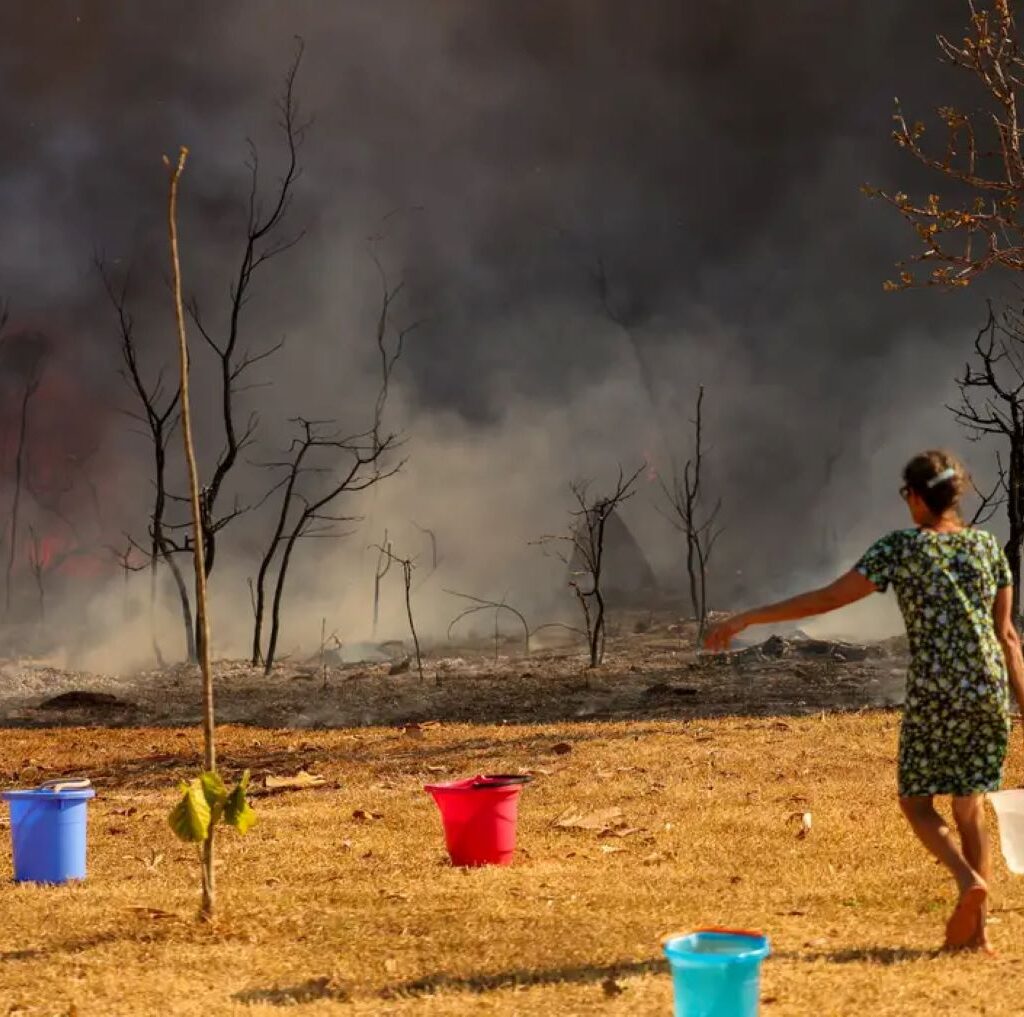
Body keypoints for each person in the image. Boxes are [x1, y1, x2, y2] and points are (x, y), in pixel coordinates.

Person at [704, 450, 1024, 953]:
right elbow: (1007, 635)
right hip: (986, 688)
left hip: (936, 690)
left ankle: (968, 882)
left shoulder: (900, 548)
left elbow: (828, 599)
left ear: (915, 497)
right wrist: (1022, 706)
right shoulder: (986, 547)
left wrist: (750, 617)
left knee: (916, 804)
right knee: (971, 807)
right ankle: (976, 936)